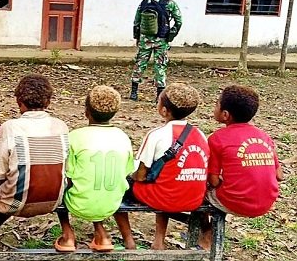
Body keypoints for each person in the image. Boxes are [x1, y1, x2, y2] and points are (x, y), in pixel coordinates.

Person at [114, 83, 209, 250]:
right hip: (194, 197)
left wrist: (130, 175)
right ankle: (158, 241)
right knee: (168, 178)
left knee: (116, 189)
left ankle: (129, 240)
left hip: (165, 197)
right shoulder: (200, 134)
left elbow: (141, 176)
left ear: (164, 111)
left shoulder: (156, 135)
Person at [0, 74, 69, 248]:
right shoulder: (61, 126)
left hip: (15, 203)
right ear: (48, 101)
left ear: (19, 102)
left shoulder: (10, 127)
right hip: (53, 200)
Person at [200, 85, 284, 248]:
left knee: (199, 191)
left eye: (217, 104)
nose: (214, 106)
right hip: (267, 203)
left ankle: (206, 235)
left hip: (236, 203)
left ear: (225, 115)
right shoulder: (263, 136)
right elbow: (279, 175)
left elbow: (214, 181)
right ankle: (208, 234)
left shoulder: (217, 138)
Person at [59, 85, 134, 253]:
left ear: (86, 112)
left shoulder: (75, 136)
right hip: (112, 203)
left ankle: (67, 234)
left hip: (78, 204)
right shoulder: (122, 137)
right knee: (95, 182)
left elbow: (67, 175)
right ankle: (102, 234)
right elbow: (126, 171)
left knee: (61, 185)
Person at [130, 0, 182, 101]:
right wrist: (171, 35)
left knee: (140, 64)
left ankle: (134, 93)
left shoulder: (144, 3)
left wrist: (137, 38)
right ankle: (159, 95)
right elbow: (179, 21)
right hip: (161, 40)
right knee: (160, 66)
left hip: (145, 40)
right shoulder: (170, 4)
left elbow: (136, 22)